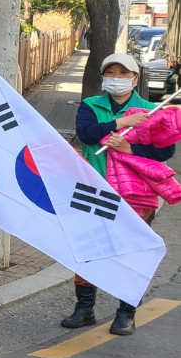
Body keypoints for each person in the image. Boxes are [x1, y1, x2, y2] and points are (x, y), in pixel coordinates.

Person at [69, 52, 175, 334]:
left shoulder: (150, 110)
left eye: (123, 73)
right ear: (103, 77)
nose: (117, 79)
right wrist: (121, 124)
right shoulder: (91, 105)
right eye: (111, 73)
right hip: (95, 187)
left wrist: (131, 149)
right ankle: (84, 309)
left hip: (136, 194)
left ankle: (126, 312)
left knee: (132, 251)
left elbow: (165, 149)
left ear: (135, 78)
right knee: (88, 249)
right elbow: (87, 134)